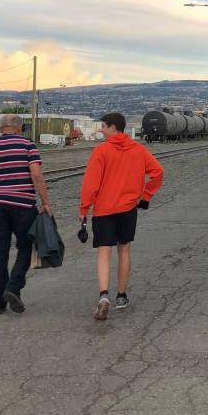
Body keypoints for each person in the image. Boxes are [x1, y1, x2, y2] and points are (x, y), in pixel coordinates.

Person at [79, 112, 163, 321]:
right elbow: (158, 172)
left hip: (104, 211)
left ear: (113, 127)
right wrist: (145, 196)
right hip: (128, 210)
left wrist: (83, 211)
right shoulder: (138, 150)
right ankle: (122, 296)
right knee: (124, 250)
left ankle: (104, 295)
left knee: (104, 252)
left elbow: (90, 185)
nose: (101, 130)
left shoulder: (101, 152)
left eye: (104, 126)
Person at [0, 114, 52, 316]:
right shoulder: (27, 145)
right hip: (23, 205)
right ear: (18, 128)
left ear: (1, 128)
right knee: (27, 245)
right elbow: (36, 174)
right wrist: (45, 202)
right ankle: (13, 288)